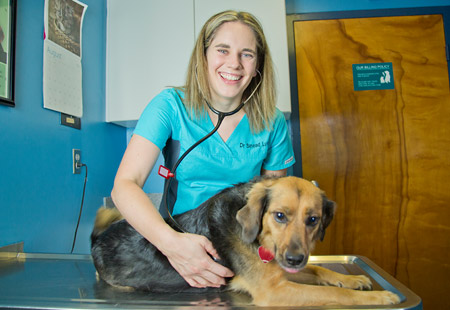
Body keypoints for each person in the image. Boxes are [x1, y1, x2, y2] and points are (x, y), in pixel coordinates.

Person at [111, 10, 295, 289]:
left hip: (242, 254)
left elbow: (276, 204)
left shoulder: (272, 121)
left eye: (247, 54)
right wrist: (171, 245)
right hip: (179, 249)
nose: (234, 64)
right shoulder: (169, 105)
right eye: (223, 50)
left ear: (258, 65)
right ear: (204, 55)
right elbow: (124, 185)